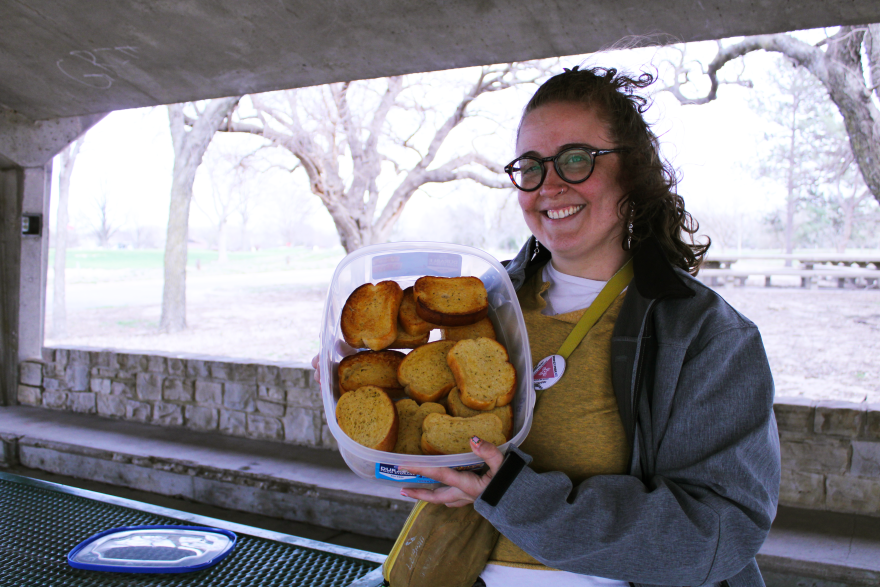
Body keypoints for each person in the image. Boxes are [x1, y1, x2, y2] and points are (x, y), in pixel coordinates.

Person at [396, 66, 781, 587]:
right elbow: (438, 438)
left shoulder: (703, 335)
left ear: (633, 172)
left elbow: (716, 530)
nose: (549, 186)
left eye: (576, 160)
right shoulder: (483, 307)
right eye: (530, 167)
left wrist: (514, 494)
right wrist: (368, 402)